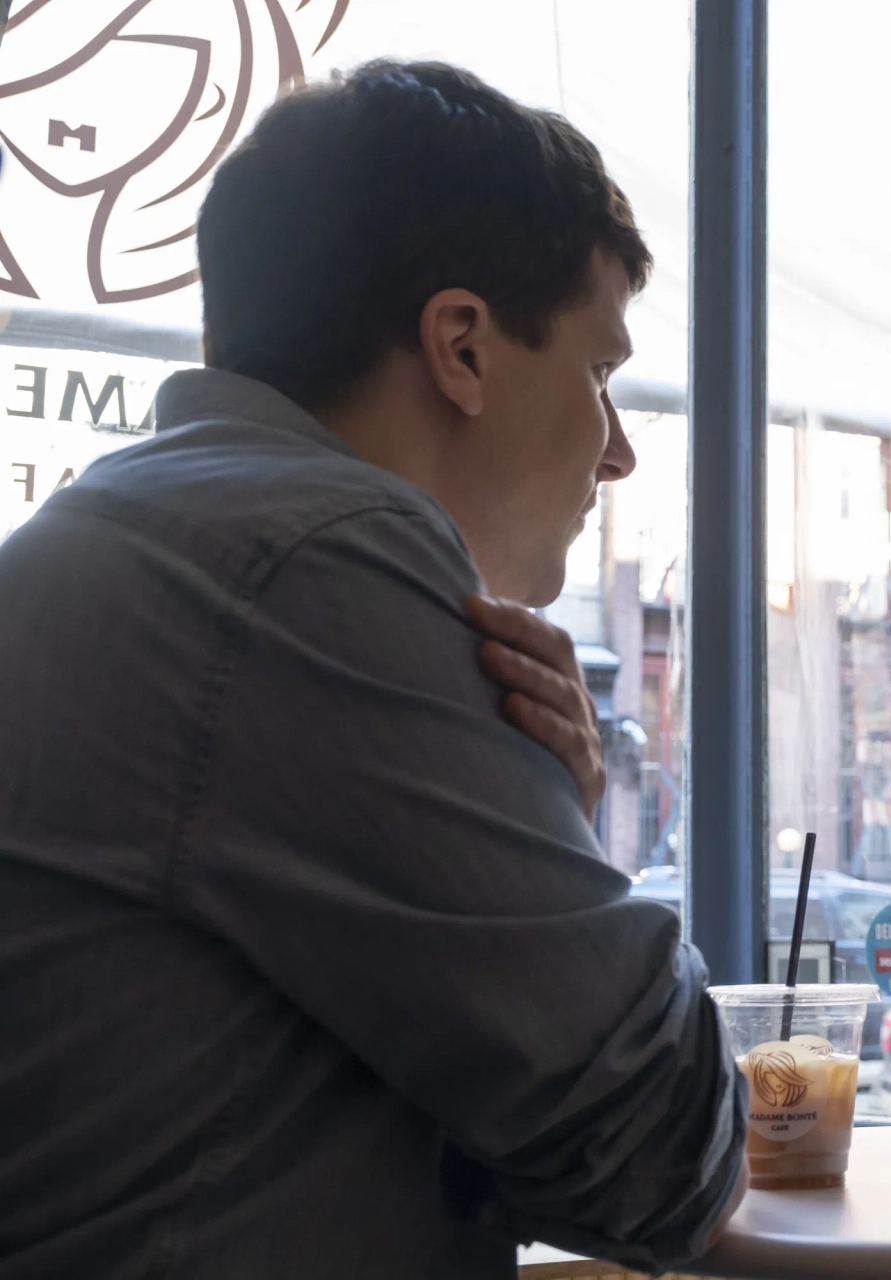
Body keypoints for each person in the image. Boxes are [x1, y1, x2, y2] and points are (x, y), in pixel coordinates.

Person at [0, 63, 744, 1277]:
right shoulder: (322, 556)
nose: (617, 454)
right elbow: (658, 1154)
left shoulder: (135, 528)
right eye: (601, 374)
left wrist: (531, 810)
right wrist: (551, 822)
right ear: (462, 346)